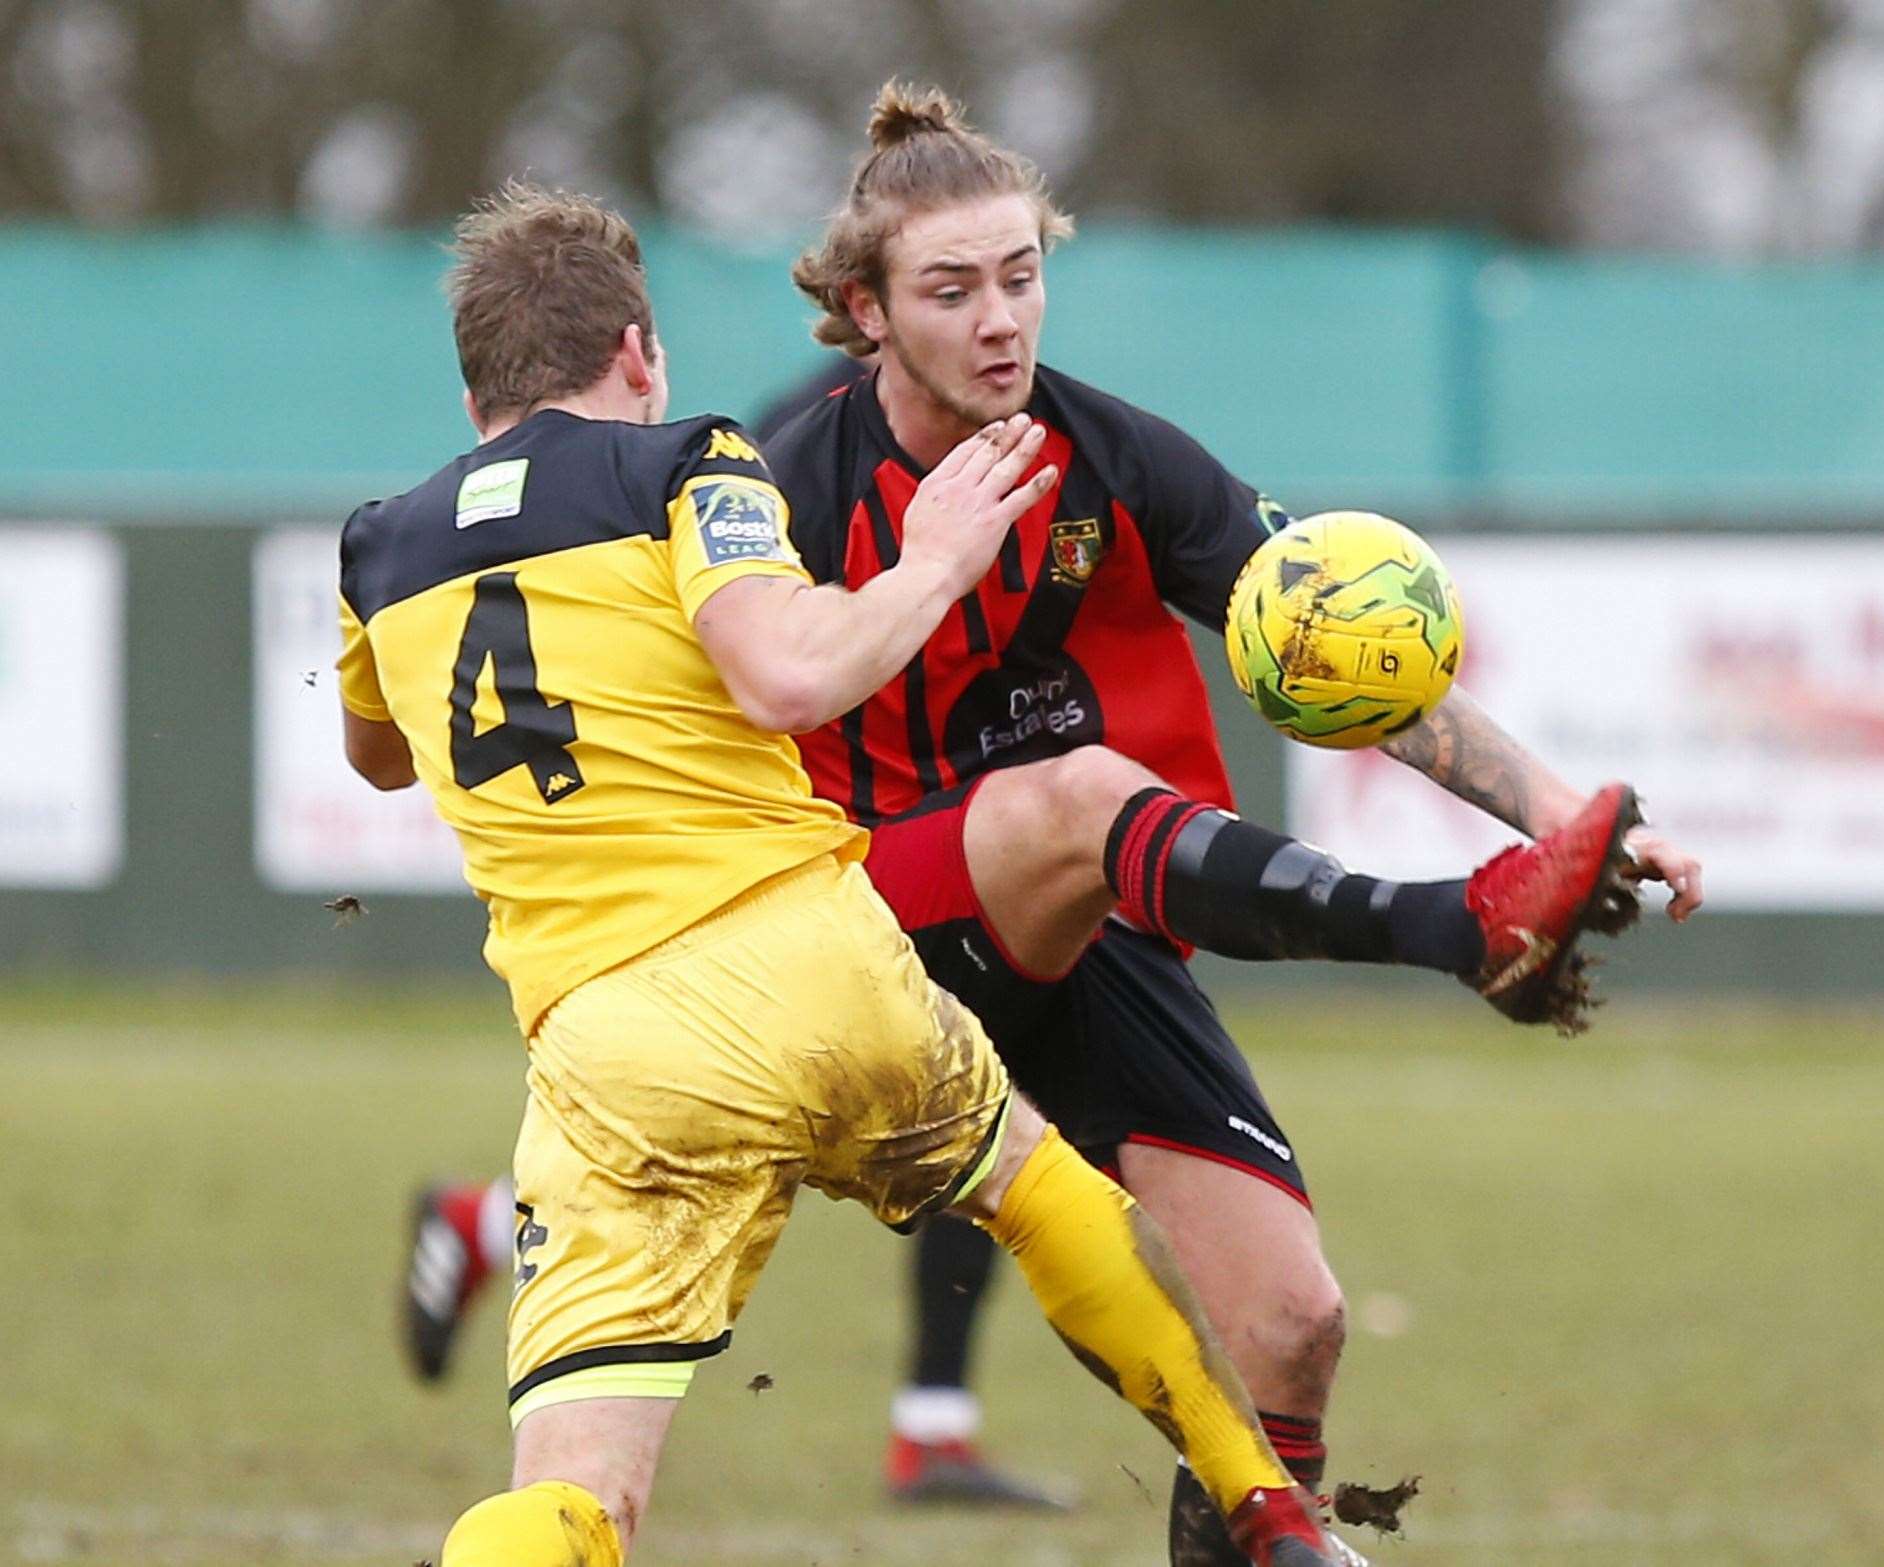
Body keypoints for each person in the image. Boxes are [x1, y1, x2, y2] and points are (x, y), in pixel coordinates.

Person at [756, 83, 1705, 1567]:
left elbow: (1357, 662)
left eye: (1022, 275)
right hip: (859, 933)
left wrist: (1575, 818)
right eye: (951, 289)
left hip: (1076, 922)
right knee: (1078, 792)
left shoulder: (1115, 458)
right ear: (865, 312)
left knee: (1291, 1323)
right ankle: (1453, 929)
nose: (1002, 318)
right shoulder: (778, 481)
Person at [339, 179, 1353, 1566]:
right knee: (1043, 1194)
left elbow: (380, 756)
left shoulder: (378, 546)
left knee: (576, 1490)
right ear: (641, 351)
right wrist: (933, 560)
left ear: (475, 404)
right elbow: (790, 670)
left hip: (606, 1055)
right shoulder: (688, 460)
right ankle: (1270, 1514)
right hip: (810, 965)